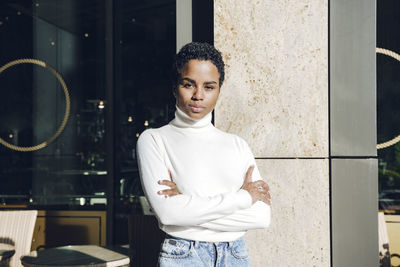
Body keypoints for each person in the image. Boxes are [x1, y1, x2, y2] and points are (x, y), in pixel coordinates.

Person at [136, 42, 271, 267]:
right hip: (184, 255)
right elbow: (169, 214)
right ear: (174, 87)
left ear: (219, 88)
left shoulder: (237, 145)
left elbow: (260, 217)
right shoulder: (155, 140)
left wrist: (187, 202)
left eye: (209, 87)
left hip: (235, 256)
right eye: (189, 85)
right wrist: (243, 198)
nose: (198, 95)